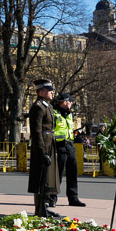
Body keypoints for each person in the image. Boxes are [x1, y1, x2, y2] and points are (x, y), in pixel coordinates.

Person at [27, 79, 60, 217]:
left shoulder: (48, 106)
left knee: (49, 178)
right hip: (42, 146)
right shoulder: (38, 107)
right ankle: (40, 210)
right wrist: (41, 152)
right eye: (49, 90)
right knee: (41, 178)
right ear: (41, 92)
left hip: (49, 144)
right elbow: (36, 132)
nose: (52, 92)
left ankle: (45, 206)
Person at [52, 93, 85, 207]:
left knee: (73, 173)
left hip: (70, 145)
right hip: (59, 145)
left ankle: (73, 198)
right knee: (57, 174)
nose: (71, 103)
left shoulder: (69, 115)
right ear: (65, 102)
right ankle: (52, 198)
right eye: (70, 101)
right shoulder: (54, 113)